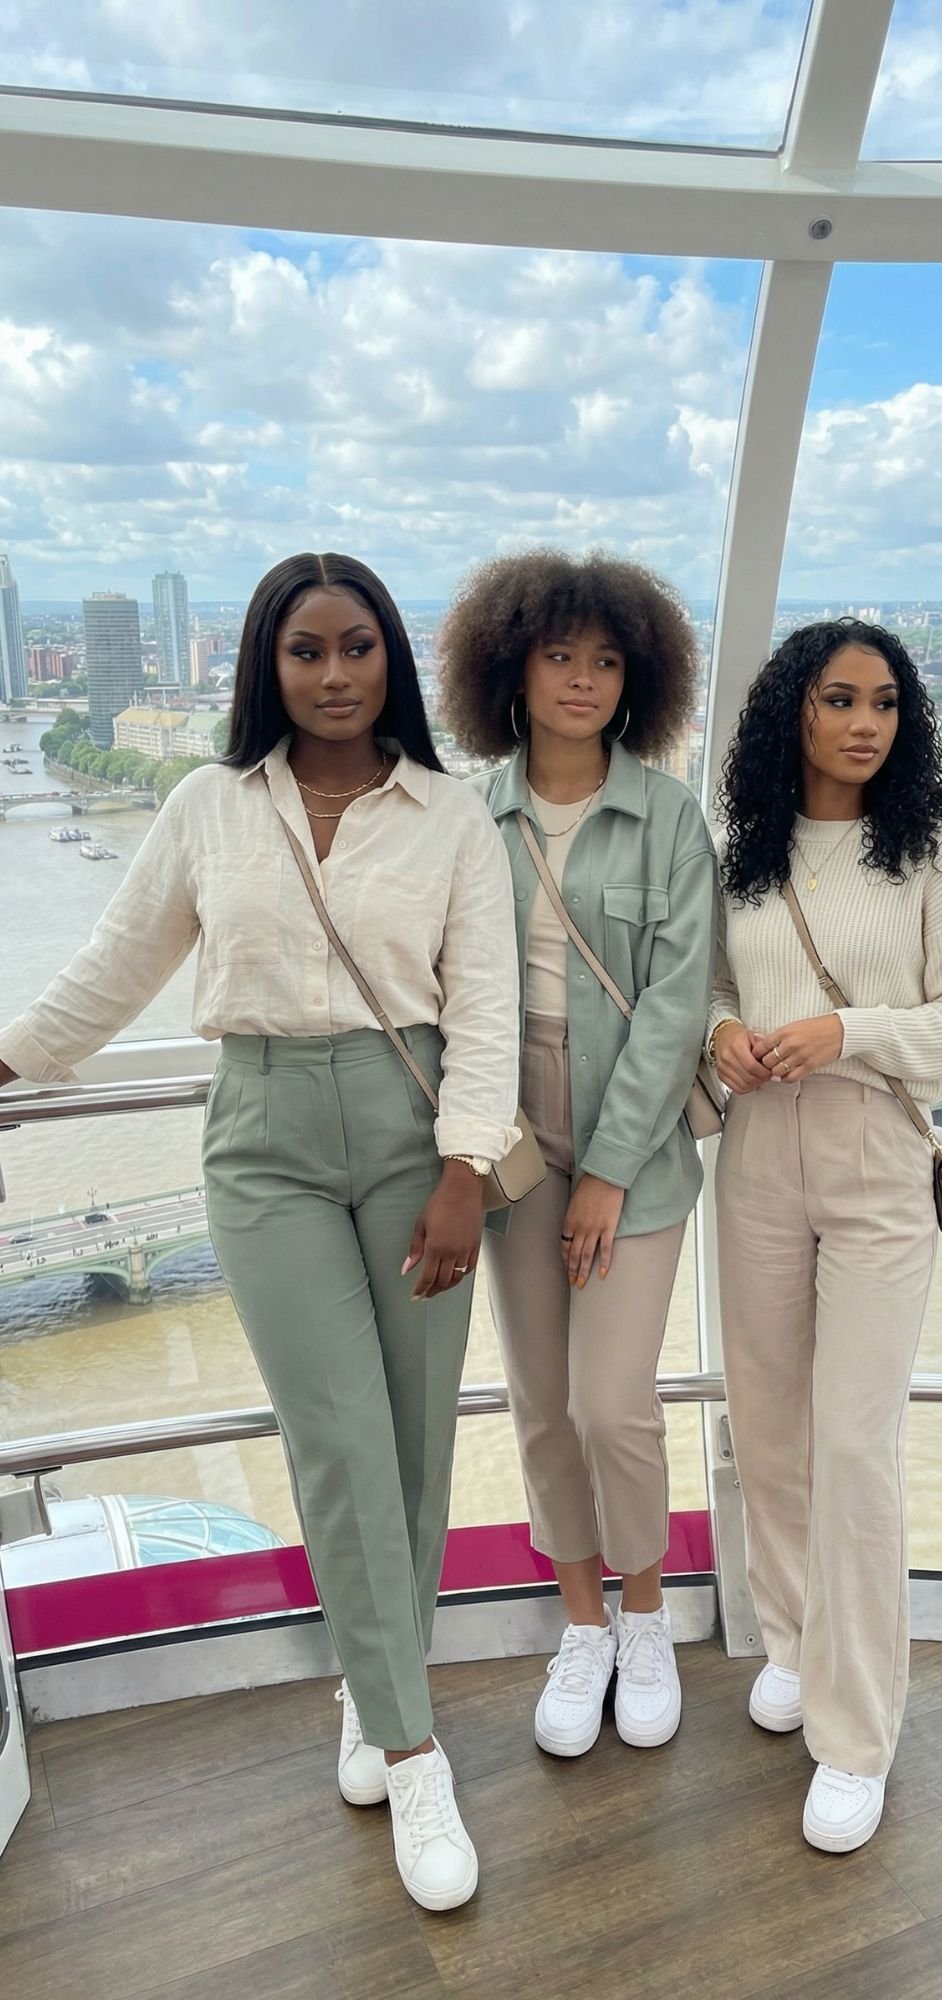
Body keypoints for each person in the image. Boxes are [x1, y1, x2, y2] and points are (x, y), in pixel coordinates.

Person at [0, 552, 520, 1913]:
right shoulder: (207, 808)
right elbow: (114, 965)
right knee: (340, 1436)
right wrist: (8, 1063)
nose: (336, 675)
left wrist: (468, 1171)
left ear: (390, 661)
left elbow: (484, 1011)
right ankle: (414, 1752)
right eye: (307, 650)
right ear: (266, 664)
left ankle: (370, 1684)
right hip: (265, 1142)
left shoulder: (448, 816)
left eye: (357, 647)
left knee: (413, 1439)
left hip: (416, 1136)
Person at [708, 619, 942, 1853]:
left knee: (856, 1444)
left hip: (881, 1155)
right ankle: (792, 1640)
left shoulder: (934, 853)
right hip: (759, 1155)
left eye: (886, 700)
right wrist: (720, 1033)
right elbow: (709, 986)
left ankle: (858, 1728)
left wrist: (849, 1030)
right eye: (840, 698)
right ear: (797, 711)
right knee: (770, 1429)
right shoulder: (739, 849)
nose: (866, 721)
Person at [439, 548, 717, 1759]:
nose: (584, 679)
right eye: (560, 655)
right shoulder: (464, 813)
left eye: (607, 659)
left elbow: (673, 1001)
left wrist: (606, 1168)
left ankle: (648, 1614)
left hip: (633, 1143)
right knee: (541, 1402)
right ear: (511, 664)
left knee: (615, 1402)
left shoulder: (665, 815)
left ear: (637, 675)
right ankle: (582, 1622)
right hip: (509, 1139)